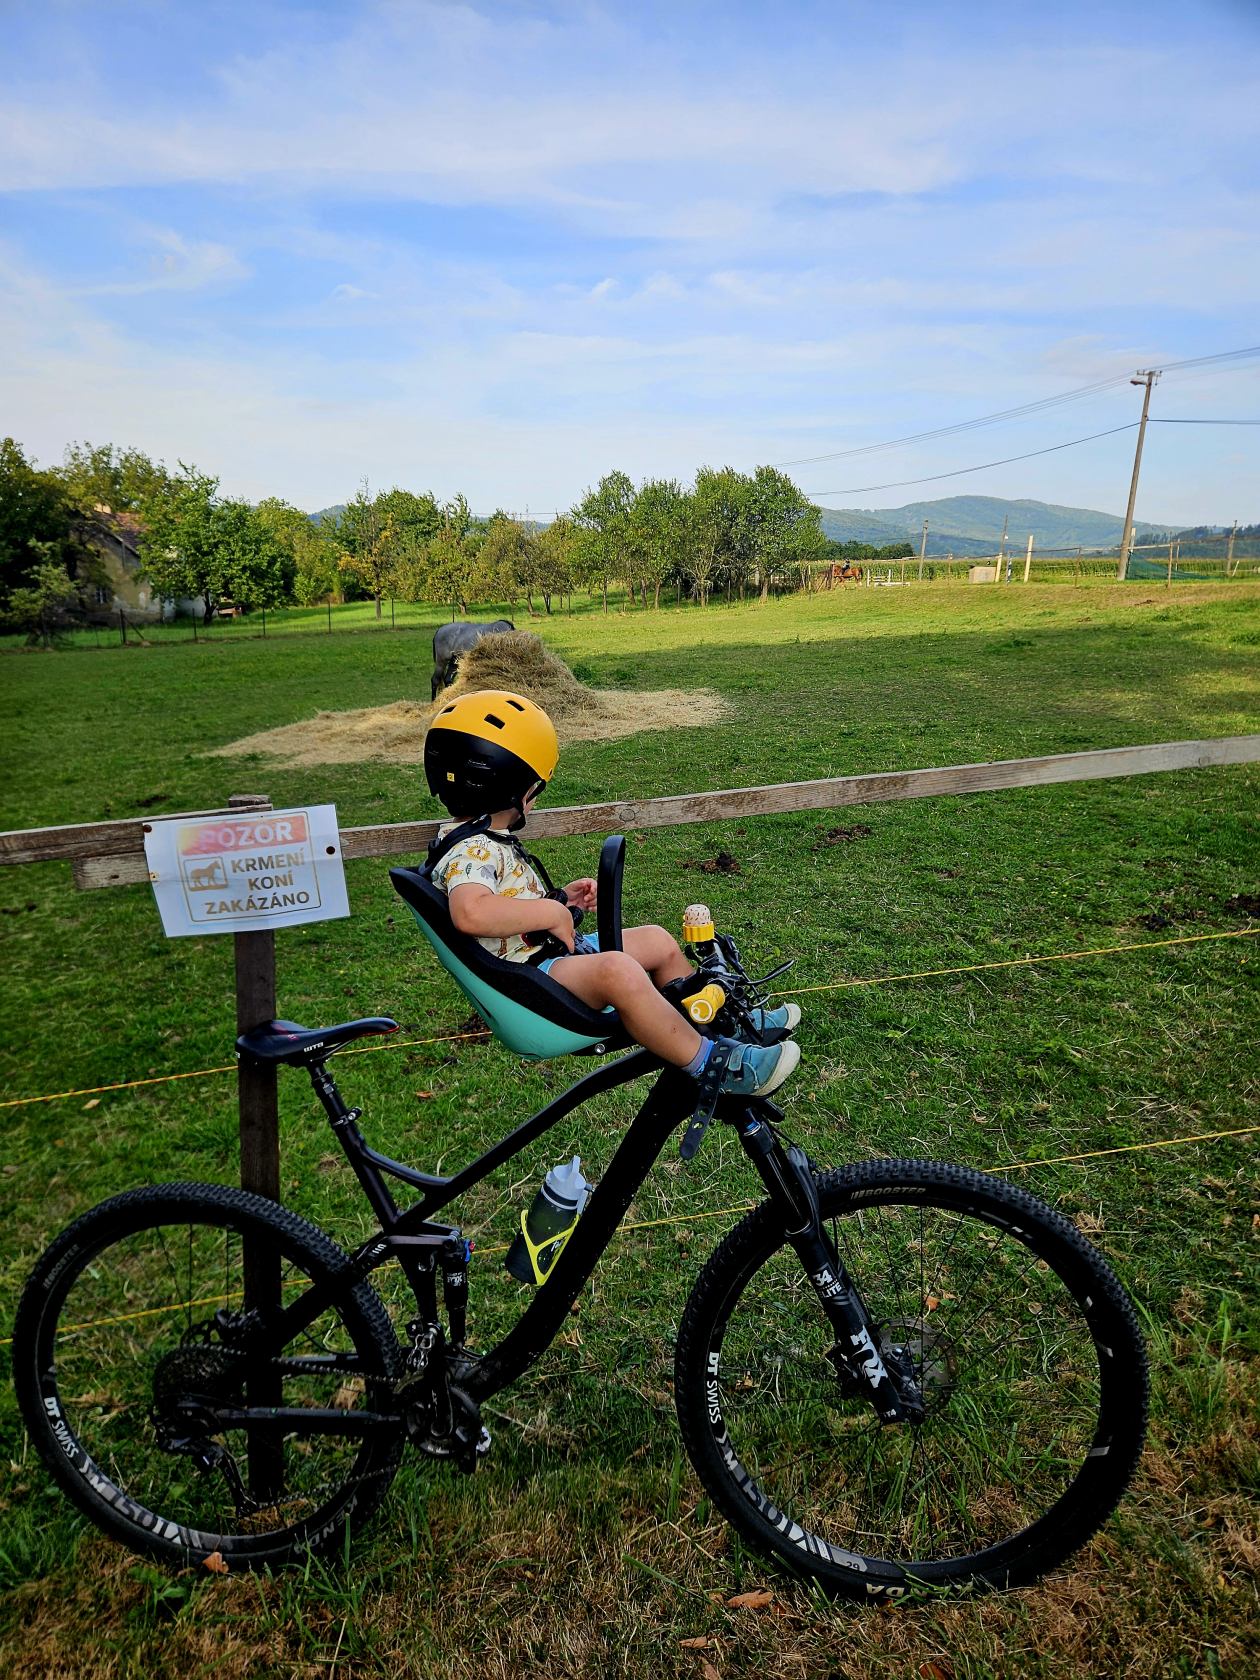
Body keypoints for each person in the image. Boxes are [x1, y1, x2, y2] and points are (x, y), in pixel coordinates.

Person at [423, 689, 800, 1098]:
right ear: (512, 788)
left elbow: (501, 903)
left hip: (545, 958)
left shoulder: (477, 841)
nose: (533, 801)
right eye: (534, 791)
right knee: (618, 971)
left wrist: (561, 901)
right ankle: (712, 1064)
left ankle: (724, 1025)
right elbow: (472, 913)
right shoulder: (471, 850)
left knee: (656, 940)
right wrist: (551, 915)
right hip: (530, 979)